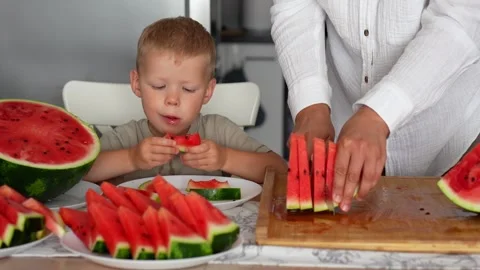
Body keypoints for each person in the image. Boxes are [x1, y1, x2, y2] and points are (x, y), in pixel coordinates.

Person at [270, 0, 480, 212]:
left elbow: (459, 20)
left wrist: (378, 114)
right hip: (345, 142)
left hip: (451, 140)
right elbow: (294, 7)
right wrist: (310, 107)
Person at [83, 16, 287, 185]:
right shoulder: (127, 137)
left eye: (188, 89)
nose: (172, 100)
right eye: (159, 86)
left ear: (208, 92)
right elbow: (81, 173)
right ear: (137, 84)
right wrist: (131, 158)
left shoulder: (219, 130)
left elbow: (279, 170)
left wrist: (225, 158)